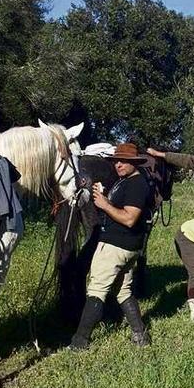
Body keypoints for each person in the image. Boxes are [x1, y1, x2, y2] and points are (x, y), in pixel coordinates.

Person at [70, 143, 153, 349]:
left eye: (124, 161)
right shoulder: (126, 182)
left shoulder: (136, 184)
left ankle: (80, 342)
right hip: (127, 246)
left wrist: (105, 205)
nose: (118, 164)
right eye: (116, 160)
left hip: (115, 245)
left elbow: (130, 219)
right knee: (123, 291)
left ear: (134, 163)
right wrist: (106, 196)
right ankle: (140, 336)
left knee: (97, 289)